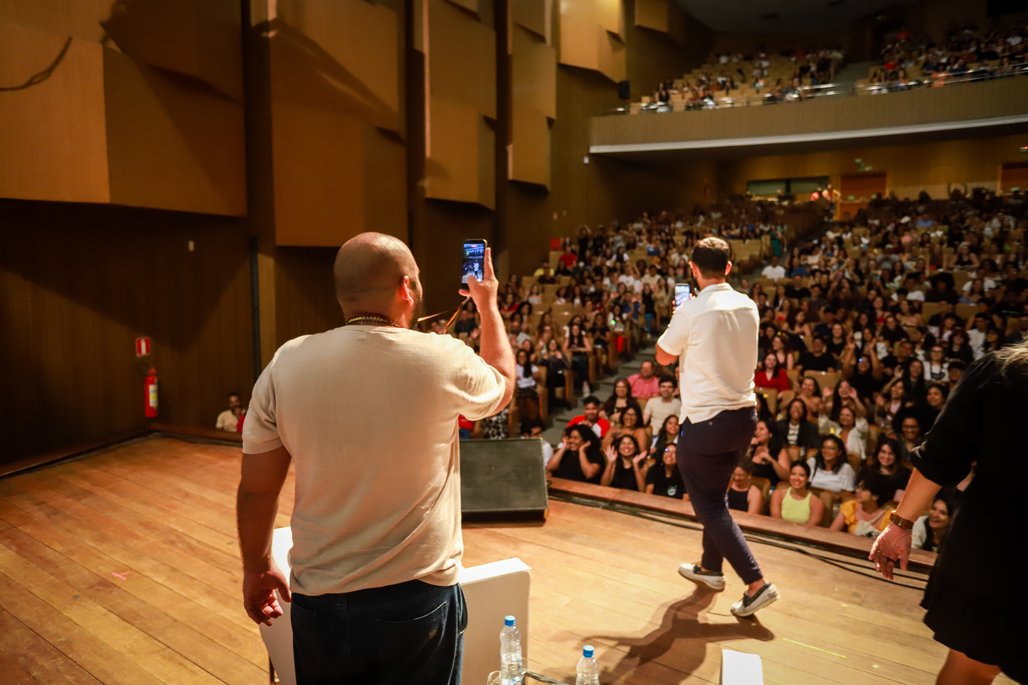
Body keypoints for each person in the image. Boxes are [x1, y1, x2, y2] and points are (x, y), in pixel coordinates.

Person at [237, 233, 514, 684]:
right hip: (417, 598)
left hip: (319, 598)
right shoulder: (442, 357)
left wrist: (256, 567)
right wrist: (488, 305)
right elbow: (503, 382)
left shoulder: (286, 362)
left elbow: (256, 487)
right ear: (406, 288)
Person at [870, 340, 1028, 684]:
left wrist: (899, 523)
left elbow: (941, 456)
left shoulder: (1004, 371)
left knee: (972, 668)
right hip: (992, 552)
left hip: (993, 551)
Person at [656, 236, 779, 618]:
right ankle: (711, 568)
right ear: (728, 267)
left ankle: (756, 583)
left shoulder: (691, 311)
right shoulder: (749, 305)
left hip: (706, 421)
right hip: (744, 418)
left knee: (707, 504)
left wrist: (682, 316)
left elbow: (662, 355)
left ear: (693, 270)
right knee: (716, 497)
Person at [829, 476, 895, 537]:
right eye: (858, 487)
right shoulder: (850, 507)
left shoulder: (890, 516)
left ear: (875, 496)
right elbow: (831, 533)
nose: (857, 491)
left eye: (863, 489)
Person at [769, 461, 825, 526]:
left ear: (807, 478)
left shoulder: (817, 503)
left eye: (801, 475)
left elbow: (809, 529)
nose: (796, 478)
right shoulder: (777, 494)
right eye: (793, 474)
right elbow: (776, 523)